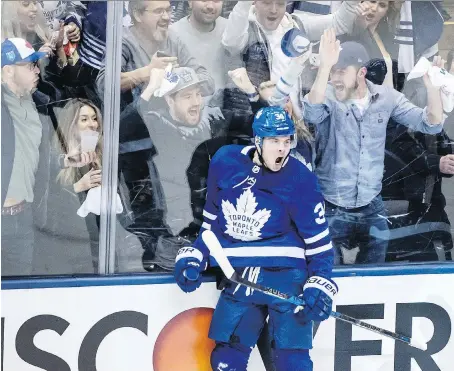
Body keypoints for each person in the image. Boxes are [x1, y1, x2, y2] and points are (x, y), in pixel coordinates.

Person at [174, 106, 337, 371]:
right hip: (241, 276)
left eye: (287, 141)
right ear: (257, 140)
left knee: (293, 363)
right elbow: (211, 227)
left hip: (287, 278)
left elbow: (320, 247)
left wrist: (319, 285)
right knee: (226, 361)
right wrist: (196, 257)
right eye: (274, 141)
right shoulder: (225, 162)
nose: (282, 149)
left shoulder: (301, 180)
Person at [303, 29, 446, 265]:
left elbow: (430, 125)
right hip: (331, 206)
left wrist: (432, 88)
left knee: (375, 272)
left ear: (361, 73)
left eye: (340, 71)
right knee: (328, 272)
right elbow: (312, 112)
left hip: (372, 205)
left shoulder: (387, 97)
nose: (334, 78)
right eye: (332, 71)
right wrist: (325, 68)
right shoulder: (327, 93)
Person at [119, 66, 252, 271]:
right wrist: (151, 87)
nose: (196, 102)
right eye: (187, 96)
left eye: (198, 94)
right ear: (169, 100)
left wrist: (251, 93)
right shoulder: (153, 122)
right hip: (170, 241)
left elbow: (264, 131)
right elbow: (121, 132)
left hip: (215, 235)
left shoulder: (217, 120)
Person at [221, 0, 362, 115]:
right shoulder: (244, 28)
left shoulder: (296, 25)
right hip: (262, 122)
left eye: (280, 4)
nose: (274, 10)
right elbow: (230, 42)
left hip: (298, 124)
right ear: (254, 3)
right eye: (267, 3)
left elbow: (340, 23)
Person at [96, 0, 214, 109]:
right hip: (131, 125)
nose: (166, 17)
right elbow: (103, 85)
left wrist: (175, 78)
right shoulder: (122, 41)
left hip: (169, 123)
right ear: (137, 15)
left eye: (168, 10)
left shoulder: (173, 40)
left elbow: (208, 82)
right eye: (158, 11)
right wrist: (146, 73)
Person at [1, 38, 52, 276]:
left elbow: (32, 154)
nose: (36, 70)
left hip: (23, 218)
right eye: (29, 65)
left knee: (20, 293)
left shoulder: (36, 102)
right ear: (8, 71)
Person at [52, 98, 103, 271]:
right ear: (72, 125)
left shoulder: (102, 152)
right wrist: (78, 186)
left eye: (94, 118)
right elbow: (47, 203)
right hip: (69, 242)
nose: (92, 124)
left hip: (101, 238)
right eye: (84, 119)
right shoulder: (57, 158)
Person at [170, 0, 229, 92]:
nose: (210, 6)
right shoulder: (173, 34)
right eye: (204, 0)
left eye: (216, 1)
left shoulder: (231, 30)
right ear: (190, 2)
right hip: (190, 102)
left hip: (227, 103)